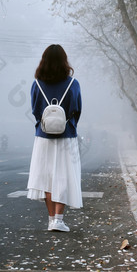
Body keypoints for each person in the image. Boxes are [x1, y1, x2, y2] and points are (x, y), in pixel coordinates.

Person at [27, 44, 82, 232]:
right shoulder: (73, 84)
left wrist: (45, 124)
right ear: (64, 61)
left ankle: (51, 220)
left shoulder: (37, 83)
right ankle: (59, 219)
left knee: (46, 178)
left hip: (43, 138)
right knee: (63, 177)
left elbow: (35, 110)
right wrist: (68, 124)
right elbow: (77, 108)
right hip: (66, 136)